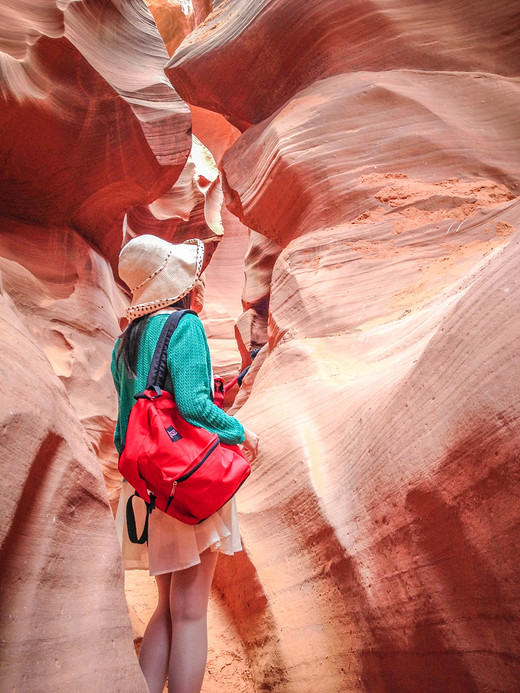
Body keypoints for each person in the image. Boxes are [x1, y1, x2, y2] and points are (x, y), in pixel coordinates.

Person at [111, 235, 259, 693]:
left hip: (148, 486)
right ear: (178, 281)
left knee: (165, 609)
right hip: (187, 480)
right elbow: (193, 407)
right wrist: (241, 433)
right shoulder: (184, 325)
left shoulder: (125, 342)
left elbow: (125, 428)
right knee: (192, 609)